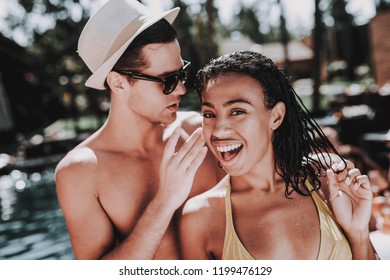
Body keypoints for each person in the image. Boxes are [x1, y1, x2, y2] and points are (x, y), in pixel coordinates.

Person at [55, 0, 223, 260]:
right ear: (119, 83)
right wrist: (165, 201)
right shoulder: (80, 173)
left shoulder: (199, 132)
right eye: (167, 80)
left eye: (182, 74)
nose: (180, 89)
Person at [179, 51, 377, 260]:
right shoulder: (201, 218)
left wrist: (359, 234)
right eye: (209, 114)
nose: (218, 131)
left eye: (237, 111)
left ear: (276, 116)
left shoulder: (328, 181)